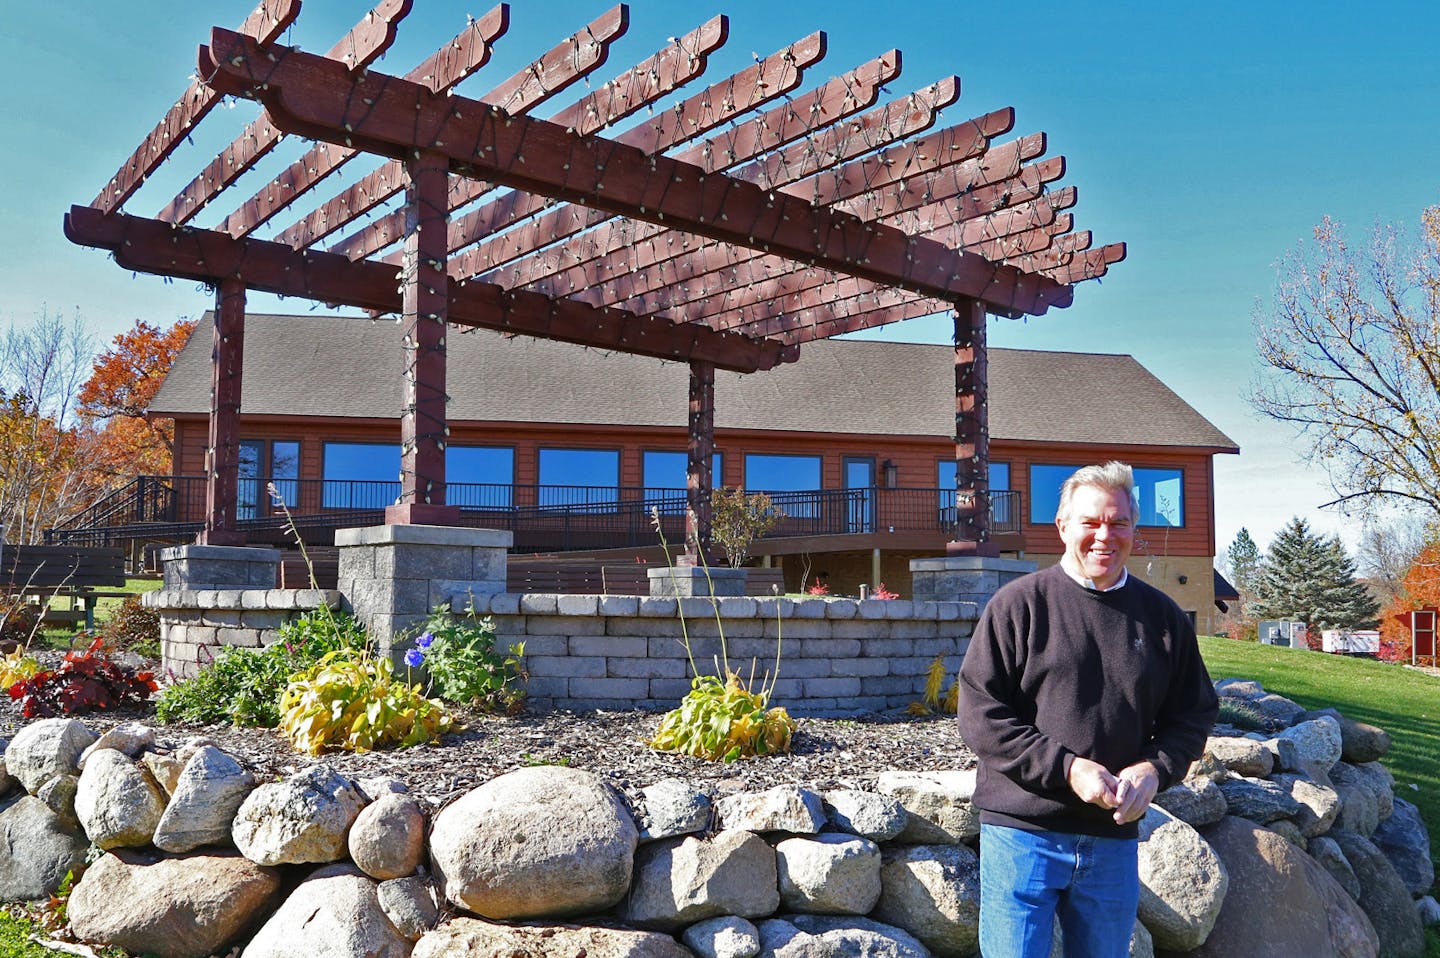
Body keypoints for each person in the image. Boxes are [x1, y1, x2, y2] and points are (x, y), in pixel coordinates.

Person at [956, 461, 1218, 957]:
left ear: (1134, 529)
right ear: (1061, 527)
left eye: (1118, 523)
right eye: (1090, 522)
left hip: (1111, 839)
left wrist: (1155, 769)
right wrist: (1068, 769)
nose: (1105, 536)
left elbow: (1194, 713)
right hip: (1022, 836)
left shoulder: (1163, 619)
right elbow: (980, 713)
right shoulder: (1019, 606)